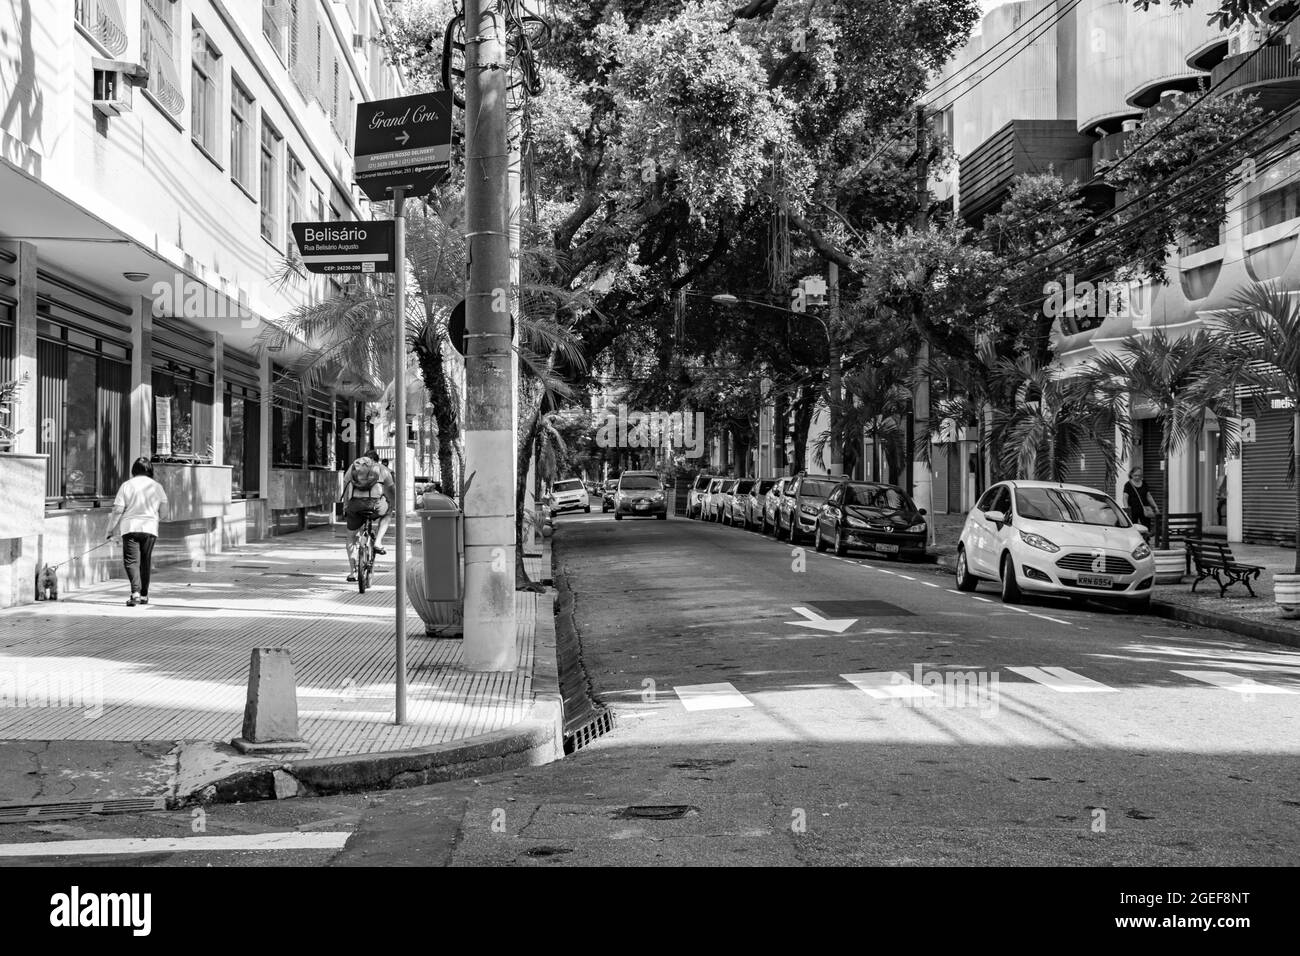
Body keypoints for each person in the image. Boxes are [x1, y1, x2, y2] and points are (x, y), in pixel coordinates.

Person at [105, 457, 170, 607]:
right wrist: (153, 518)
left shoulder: (126, 485)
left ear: (134, 470)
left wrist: (110, 530)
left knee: (131, 561)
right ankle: (144, 595)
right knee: (145, 561)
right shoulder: (157, 486)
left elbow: (117, 510)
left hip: (130, 527)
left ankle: (135, 593)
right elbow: (164, 512)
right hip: (150, 528)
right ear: (150, 470)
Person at [340, 448, 395, 582]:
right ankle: (378, 542)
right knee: (388, 513)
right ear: (376, 460)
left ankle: (353, 572)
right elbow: (391, 490)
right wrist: (393, 504)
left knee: (351, 537)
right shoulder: (382, 469)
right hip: (375, 505)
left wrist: (346, 506)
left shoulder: (354, 466)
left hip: (355, 505)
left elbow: (346, 486)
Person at [1123, 467, 1160, 532]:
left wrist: (1155, 507)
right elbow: (1125, 497)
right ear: (1131, 475)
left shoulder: (1144, 483)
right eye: (1135, 475)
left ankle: (1146, 540)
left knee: (1146, 526)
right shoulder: (1128, 485)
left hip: (1144, 509)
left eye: (1139, 475)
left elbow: (1149, 496)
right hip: (1133, 509)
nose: (1137, 477)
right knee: (1133, 526)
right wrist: (1127, 509)